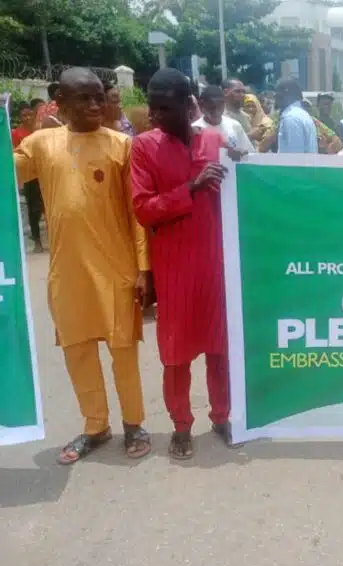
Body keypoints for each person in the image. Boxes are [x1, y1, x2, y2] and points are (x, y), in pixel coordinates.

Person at [14, 67, 151, 464]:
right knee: (78, 353)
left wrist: (144, 268)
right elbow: (9, 175)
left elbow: (136, 213)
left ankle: (134, 423)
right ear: (61, 100)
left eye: (98, 96)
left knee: (123, 352)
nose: (94, 105)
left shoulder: (122, 145)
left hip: (116, 270)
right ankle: (95, 426)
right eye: (83, 98)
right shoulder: (41, 143)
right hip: (67, 273)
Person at [131, 67, 232, 459]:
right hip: (174, 268)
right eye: (152, 109)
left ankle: (222, 417)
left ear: (189, 106)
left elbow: (239, 196)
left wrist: (243, 166)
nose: (154, 117)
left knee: (219, 348)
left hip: (216, 267)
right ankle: (181, 425)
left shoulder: (215, 141)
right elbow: (143, 209)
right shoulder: (144, 147)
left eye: (164, 109)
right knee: (176, 354)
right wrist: (189, 187)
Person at [12, 101, 45, 253]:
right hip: (30, 177)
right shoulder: (16, 134)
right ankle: (37, 240)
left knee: (47, 205)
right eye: (24, 115)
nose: (27, 117)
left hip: (45, 173)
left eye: (29, 114)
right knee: (34, 209)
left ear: (34, 114)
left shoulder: (40, 131)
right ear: (20, 117)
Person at [193, 85, 255, 154]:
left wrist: (243, 152)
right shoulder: (194, 129)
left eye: (219, 106)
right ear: (202, 106)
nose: (216, 111)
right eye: (211, 107)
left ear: (223, 105)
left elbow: (249, 152)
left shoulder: (234, 125)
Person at [274, 77, 317, 154]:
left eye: (277, 94)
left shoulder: (291, 117)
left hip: (296, 165)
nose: (275, 98)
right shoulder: (302, 114)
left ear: (285, 95)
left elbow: (294, 156)